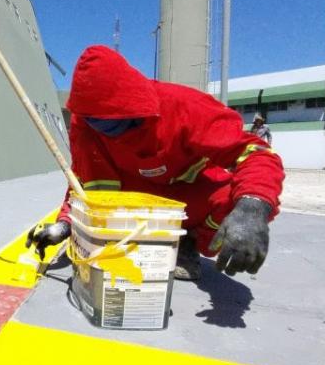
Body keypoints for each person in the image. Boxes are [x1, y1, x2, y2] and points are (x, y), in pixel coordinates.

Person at [26, 45, 285, 281]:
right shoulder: (85, 124)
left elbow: (256, 152)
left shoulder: (185, 107)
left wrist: (252, 210)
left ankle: (188, 242)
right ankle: (141, 242)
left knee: (234, 199)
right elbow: (84, 182)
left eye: (113, 122)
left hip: (187, 200)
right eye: (95, 122)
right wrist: (66, 224)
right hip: (133, 202)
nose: (104, 129)